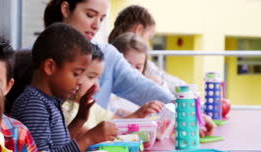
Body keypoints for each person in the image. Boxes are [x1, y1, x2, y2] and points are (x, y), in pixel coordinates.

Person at [11, 23, 118, 152]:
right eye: (76, 74)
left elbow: (60, 146)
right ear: (50, 67)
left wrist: (80, 119)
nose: (80, 81)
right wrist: (88, 138)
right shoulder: (34, 105)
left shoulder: (49, 101)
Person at [43, 0, 174, 109]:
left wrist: (181, 106)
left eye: (102, 18)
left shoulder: (107, 55)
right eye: (90, 15)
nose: (97, 25)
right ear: (66, 9)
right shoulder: (36, 57)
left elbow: (142, 87)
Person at [108, 4, 216, 137]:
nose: (133, 72)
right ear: (139, 30)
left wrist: (188, 110)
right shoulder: (111, 61)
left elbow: (151, 88)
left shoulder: (119, 57)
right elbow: (110, 114)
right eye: (150, 37)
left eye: (138, 67)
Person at [63, 43, 164, 136]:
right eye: (91, 77)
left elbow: (116, 125)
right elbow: (93, 136)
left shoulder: (88, 105)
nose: (97, 87)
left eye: (99, 78)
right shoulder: (64, 110)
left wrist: (139, 114)